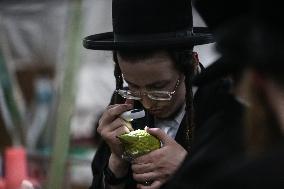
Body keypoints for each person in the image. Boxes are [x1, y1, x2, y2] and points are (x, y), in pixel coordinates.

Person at [82, 0, 214, 188]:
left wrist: (188, 170)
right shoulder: (125, 102)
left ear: (191, 64)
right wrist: (116, 164)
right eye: (133, 85)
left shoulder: (223, 107)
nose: (147, 103)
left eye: (159, 87)